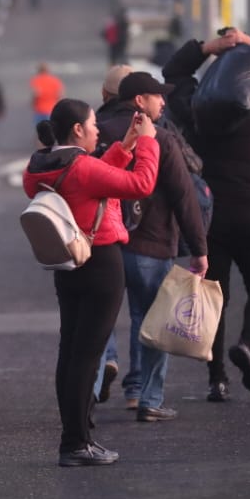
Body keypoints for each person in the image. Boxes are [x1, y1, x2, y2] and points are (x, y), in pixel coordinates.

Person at [23, 98, 159, 467]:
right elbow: (141, 184)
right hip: (100, 264)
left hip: (68, 263)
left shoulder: (40, 167)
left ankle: (77, 436)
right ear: (78, 129)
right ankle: (76, 443)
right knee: (88, 355)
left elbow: (92, 178)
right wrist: (147, 142)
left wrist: (126, 145)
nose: (98, 130)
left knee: (71, 351)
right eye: (93, 124)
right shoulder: (82, 168)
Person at [163, 27, 250, 401]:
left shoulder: (194, 110)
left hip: (210, 219)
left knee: (214, 297)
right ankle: (248, 344)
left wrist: (208, 47)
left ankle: (217, 379)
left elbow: (173, 73)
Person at [96, 73, 209, 422]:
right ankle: (147, 398)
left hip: (106, 246)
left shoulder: (98, 132)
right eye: (157, 96)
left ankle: (91, 391)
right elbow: (184, 197)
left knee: (97, 322)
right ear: (139, 101)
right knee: (152, 323)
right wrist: (199, 249)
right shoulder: (161, 137)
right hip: (152, 246)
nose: (163, 101)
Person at [93, 64, 134, 404]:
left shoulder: (95, 130)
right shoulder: (156, 129)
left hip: (105, 232)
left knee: (100, 308)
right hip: (151, 235)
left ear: (105, 94)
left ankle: (106, 360)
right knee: (144, 312)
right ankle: (140, 392)